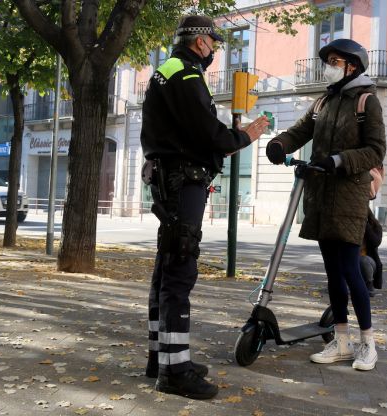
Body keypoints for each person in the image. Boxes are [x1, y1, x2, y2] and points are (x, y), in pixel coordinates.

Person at [140, 15, 269, 400]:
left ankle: (163, 358)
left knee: (167, 268)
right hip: (183, 179)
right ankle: (175, 373)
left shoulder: (169, 69)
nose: (214, 49)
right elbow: (208, 133)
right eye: (213, 42)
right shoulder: (186, 74)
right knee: (180, 270)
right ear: (199, 42)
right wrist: (243, 136)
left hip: (172, 176)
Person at [266, 38, 386, 371]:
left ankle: (368, 344)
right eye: (328, 61)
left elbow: (375, 151)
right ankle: (342, 340)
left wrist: (339, 160)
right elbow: (301, 130)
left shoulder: (366, 102)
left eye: (335, 61)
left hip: (348, 196)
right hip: (321, 196)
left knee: (350, 270)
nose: (328, 66)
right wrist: (278, 144)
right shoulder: (323, 102)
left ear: (352, 66)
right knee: (332, 272)